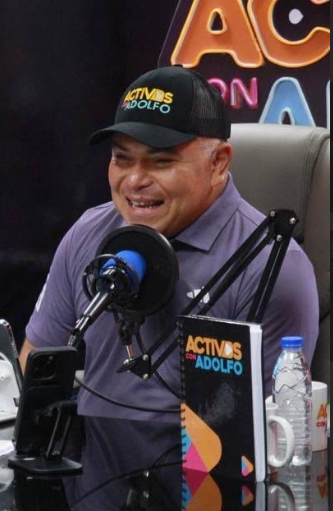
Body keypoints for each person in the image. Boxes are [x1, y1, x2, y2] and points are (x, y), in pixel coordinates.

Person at [19, 66, 318, 423]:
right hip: (89, 456)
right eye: (122, 158)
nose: (134, 180)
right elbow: (35, 368)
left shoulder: (273, 266)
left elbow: (274, 428)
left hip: (203, 459)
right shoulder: (87, 233)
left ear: (218, 162)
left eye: (161, 161)